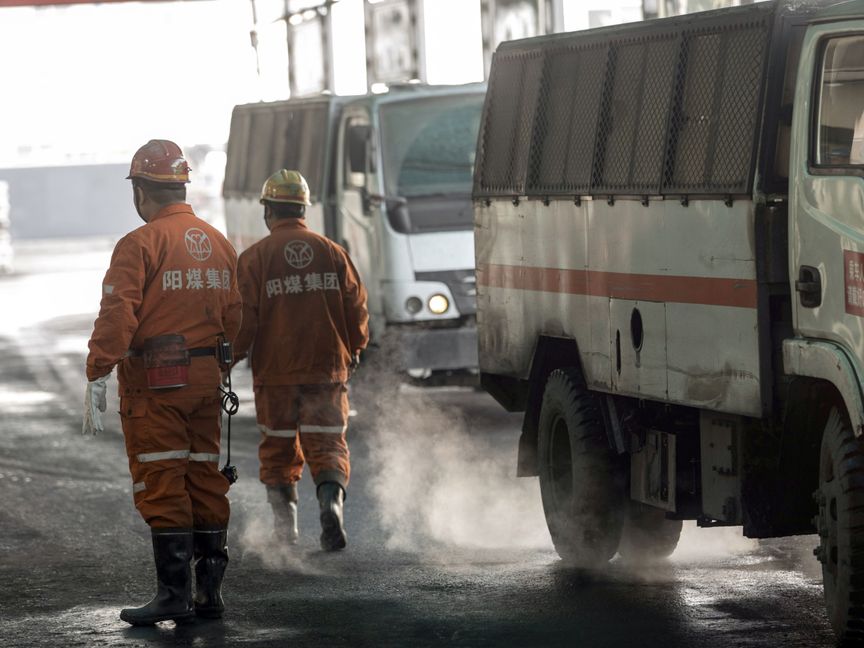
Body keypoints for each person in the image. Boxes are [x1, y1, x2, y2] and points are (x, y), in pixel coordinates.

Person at [83, 139, 241, 625]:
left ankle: (174, 596)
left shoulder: (139, 244)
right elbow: (235, 318)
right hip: (205, 379)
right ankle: (209, 595)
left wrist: (98, 370)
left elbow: (118, 313)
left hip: (156, 383)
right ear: (181, 186)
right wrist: (220, 368)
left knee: (163, 477)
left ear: (141, 191)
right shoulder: (217, 242)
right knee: (204, 477)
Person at [234, 169, 369, 552]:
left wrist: (228, 358)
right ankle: (331, 505)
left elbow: (244, 319)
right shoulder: (333, 252)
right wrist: (355, 348)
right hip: (327, 370)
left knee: (278, 448)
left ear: (268, 211)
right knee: (328, 445)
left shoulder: (255, 258)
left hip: (276, 374)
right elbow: (357, 308)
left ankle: (285, 530)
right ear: (303, 209)